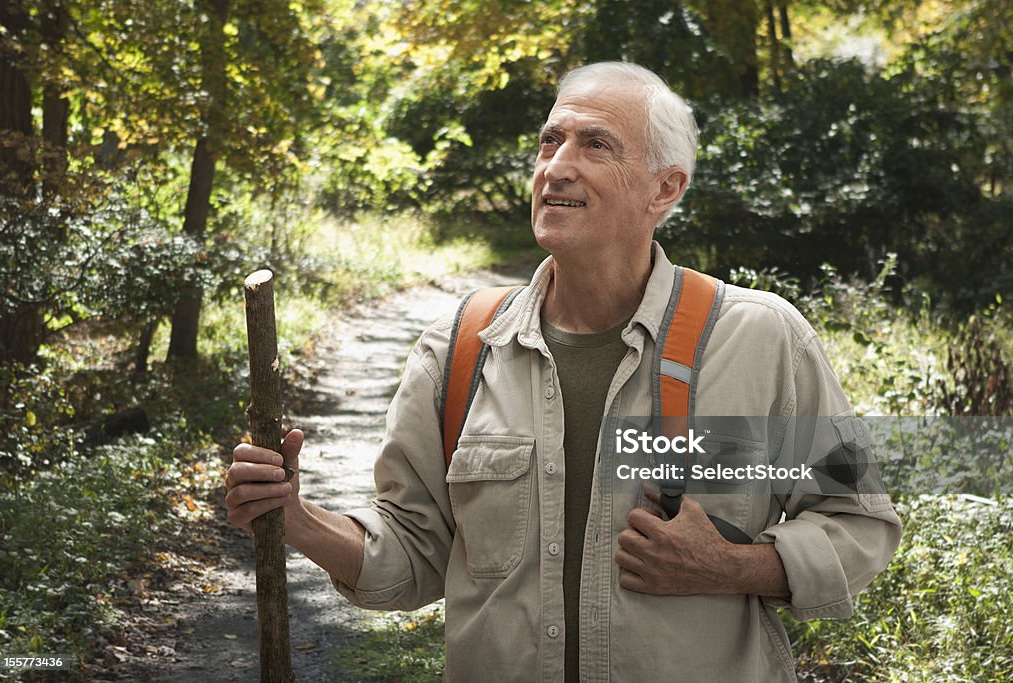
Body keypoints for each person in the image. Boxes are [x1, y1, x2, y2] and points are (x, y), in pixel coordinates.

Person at [226, 61, 902, 682]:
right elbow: (413, 553)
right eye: (550, 142)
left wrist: (733, 566)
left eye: (595, 145)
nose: (557, 167)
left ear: (664, 188)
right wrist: (298, 516)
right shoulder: (462, 348)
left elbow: (859, 524)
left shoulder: (758, 340)